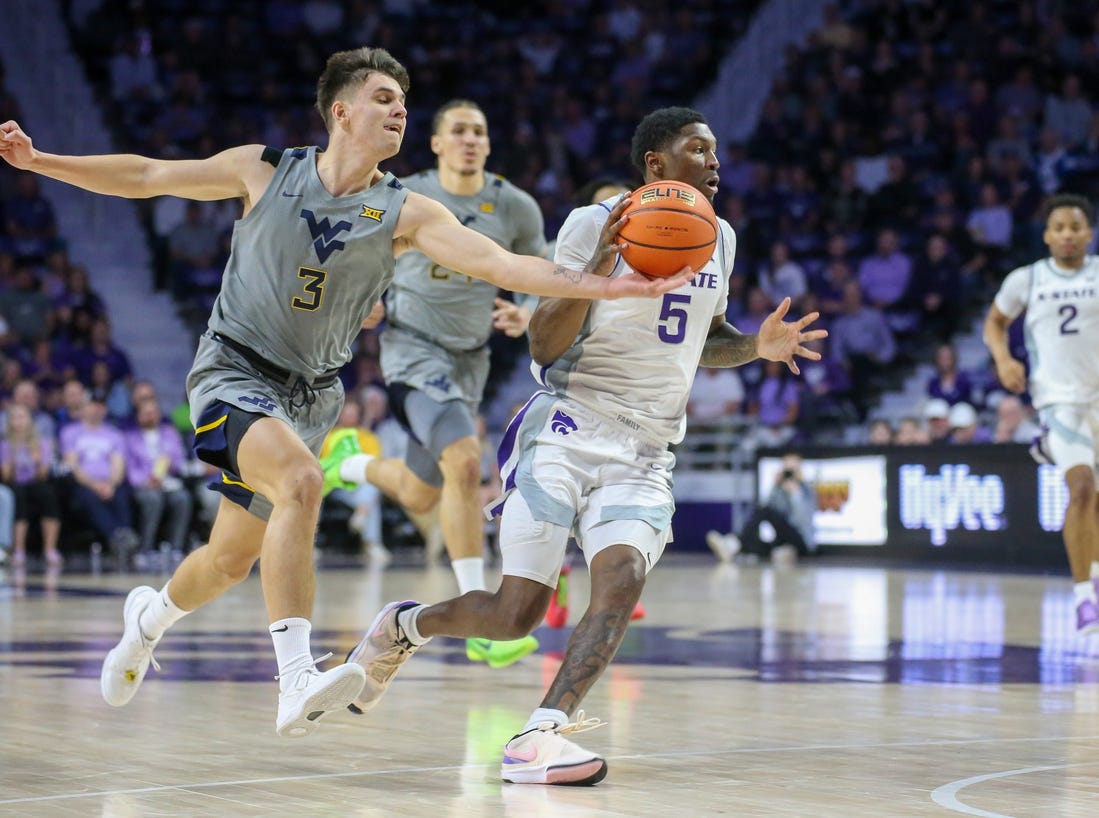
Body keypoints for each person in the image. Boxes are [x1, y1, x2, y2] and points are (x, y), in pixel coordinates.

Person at [0, 47, 689, 738]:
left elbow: (502, 263)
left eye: (403, 102)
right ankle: (296, 675)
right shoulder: (263, 169)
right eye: (385, 98)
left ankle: (147, 619)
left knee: (229, 559)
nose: (399, 111)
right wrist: (42, 162)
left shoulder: (403, 211)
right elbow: (149, 175)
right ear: (341, 110)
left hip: (310, 397)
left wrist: (610, 284)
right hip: (232, 373)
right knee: (302, 479)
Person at [343, 107, 825, 784]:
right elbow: (543, 343)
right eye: (698, 150)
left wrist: (754, 346)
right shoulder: (588, 224)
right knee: (514, 618)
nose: (715, 163)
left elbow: (702, 337)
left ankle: (540, 733)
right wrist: (596, 267)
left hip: (647, 448)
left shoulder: (721, 238)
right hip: (568, 426)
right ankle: (405, 626)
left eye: (715, 151)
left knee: (621, 577)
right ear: (655, 164)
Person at [325, 99, 550, 667]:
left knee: (425, 491)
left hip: (470, 362)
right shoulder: (404, 191)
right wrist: (362, 297)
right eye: (459, 130)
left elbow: (540, 265)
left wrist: (525, 310)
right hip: (411, 352)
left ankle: (347, 463)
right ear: (437, 143)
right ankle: (479, 617)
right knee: (466, 459)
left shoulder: (515, 206)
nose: (470, 139)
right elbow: (350, 247)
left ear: (489, 143)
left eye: (479, 131)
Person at [983, 193, 1099, 634]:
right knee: (1082, 488)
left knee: (1097, 497)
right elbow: (994, 322)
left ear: (1088, 233)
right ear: (1047, 236)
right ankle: (1084, 598)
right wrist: (1003, 359)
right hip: (1059, 399)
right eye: (1059, 228)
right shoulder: (1026, 279)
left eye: (1075, 227)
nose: (1068, 234)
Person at [706, 452, 817, 565]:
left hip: (801, 541)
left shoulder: (807, 491)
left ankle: (733, 544)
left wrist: (795, 494)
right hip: (781, 540)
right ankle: (733, 546)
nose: (789, 474)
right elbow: (766, 510)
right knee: (754, 542)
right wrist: (775, 486)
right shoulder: (779, 490)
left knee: (765, 512)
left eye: (792, 470)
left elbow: (802, 522)